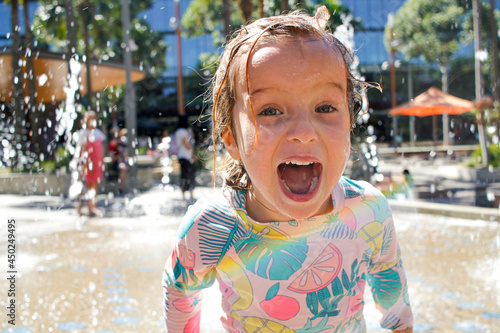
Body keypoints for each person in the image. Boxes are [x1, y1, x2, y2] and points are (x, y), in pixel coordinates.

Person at [163, 7, 413, 333]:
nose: (304, 130)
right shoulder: (214, 227)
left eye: (325, 107)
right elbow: (179, 289)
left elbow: (396, 309)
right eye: (270, 111)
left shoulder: (368, 211)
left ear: (350, 123)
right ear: (232, 141)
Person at [76, 110, 105, 217]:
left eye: (93, 118)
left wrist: (103, 163)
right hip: (87, 164)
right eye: (89, 118)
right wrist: (83, 164)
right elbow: (82, 151)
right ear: (85, 120)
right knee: (85, 185)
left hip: (97, 163)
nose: (91, 120)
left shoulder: (98, 133)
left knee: (94, 185)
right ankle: (82, 207)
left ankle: (92, 207)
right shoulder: (83, 133)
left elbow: (101, 150)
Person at [174, 115, 196, 200]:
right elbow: (187, 144)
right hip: (186, 156)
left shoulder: (178, 131)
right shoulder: (182, 131)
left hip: (181, 155)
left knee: (184, 175)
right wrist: (193, 153)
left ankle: (184, 193)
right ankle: (189, 193)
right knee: (189, 174)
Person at [108, 127, 128, 194]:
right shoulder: (112, 144)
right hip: (116, 163)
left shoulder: (122, 142)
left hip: (123, 161)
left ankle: (120, 187)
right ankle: (120, 187)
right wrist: (119, 156)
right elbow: (112, 157)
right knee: (123, 167)